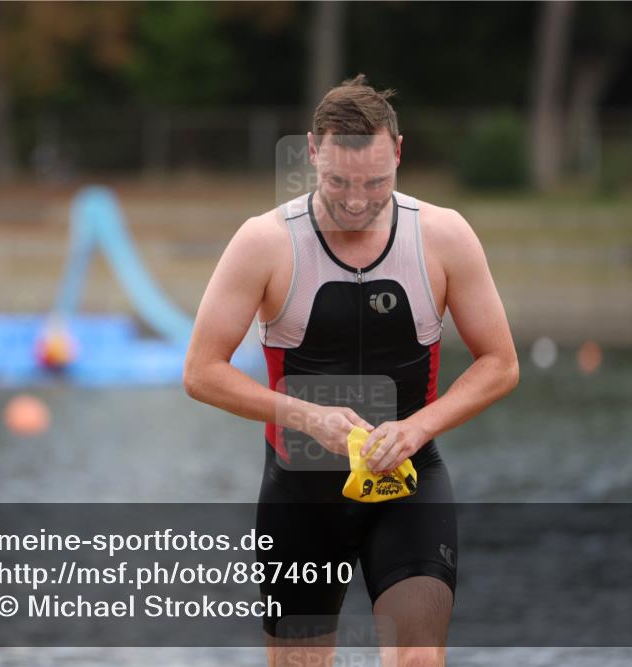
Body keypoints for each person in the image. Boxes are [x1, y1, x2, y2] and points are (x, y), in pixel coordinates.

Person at [183, 74, 518, 667]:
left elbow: (501, 364)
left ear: (399, 153)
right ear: (313, 153)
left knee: (417, 660)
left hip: (407, 485)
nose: (358, 200)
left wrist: (417, 428)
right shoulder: (265, 242)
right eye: (339, 182)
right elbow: (201, 371)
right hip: (301, 496)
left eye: (376, 182)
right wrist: (307, 417)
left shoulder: (443, 236)